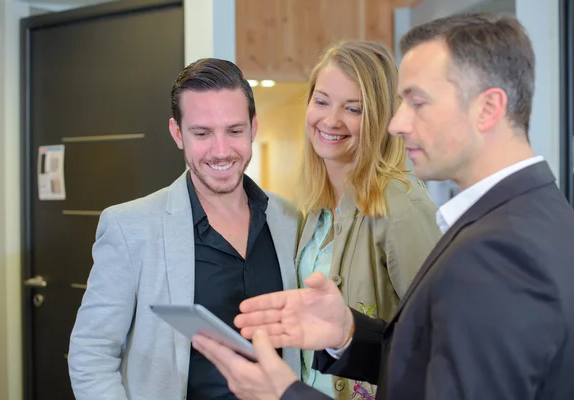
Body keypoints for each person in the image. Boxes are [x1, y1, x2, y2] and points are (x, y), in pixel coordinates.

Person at [191, 12, 574, 400]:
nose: (396, 123)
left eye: (418, 103)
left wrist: (283, 394)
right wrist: (348, 334)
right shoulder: (515, 219)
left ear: (489, 108)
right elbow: (425, 360)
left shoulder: (504, 249)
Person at [68, 58, 302, 400]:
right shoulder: (129, 227)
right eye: (202, 133)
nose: (221, 151)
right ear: (178, 133)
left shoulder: (290, 218)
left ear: (253, 127)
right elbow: (91, 353)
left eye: (234, 130)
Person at [292, 40, 440, 399]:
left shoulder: (401, 205)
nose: (330, 120)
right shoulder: (314, 208)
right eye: (322, 100)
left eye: (353, 109)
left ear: (380, 118)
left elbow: (436, 339)